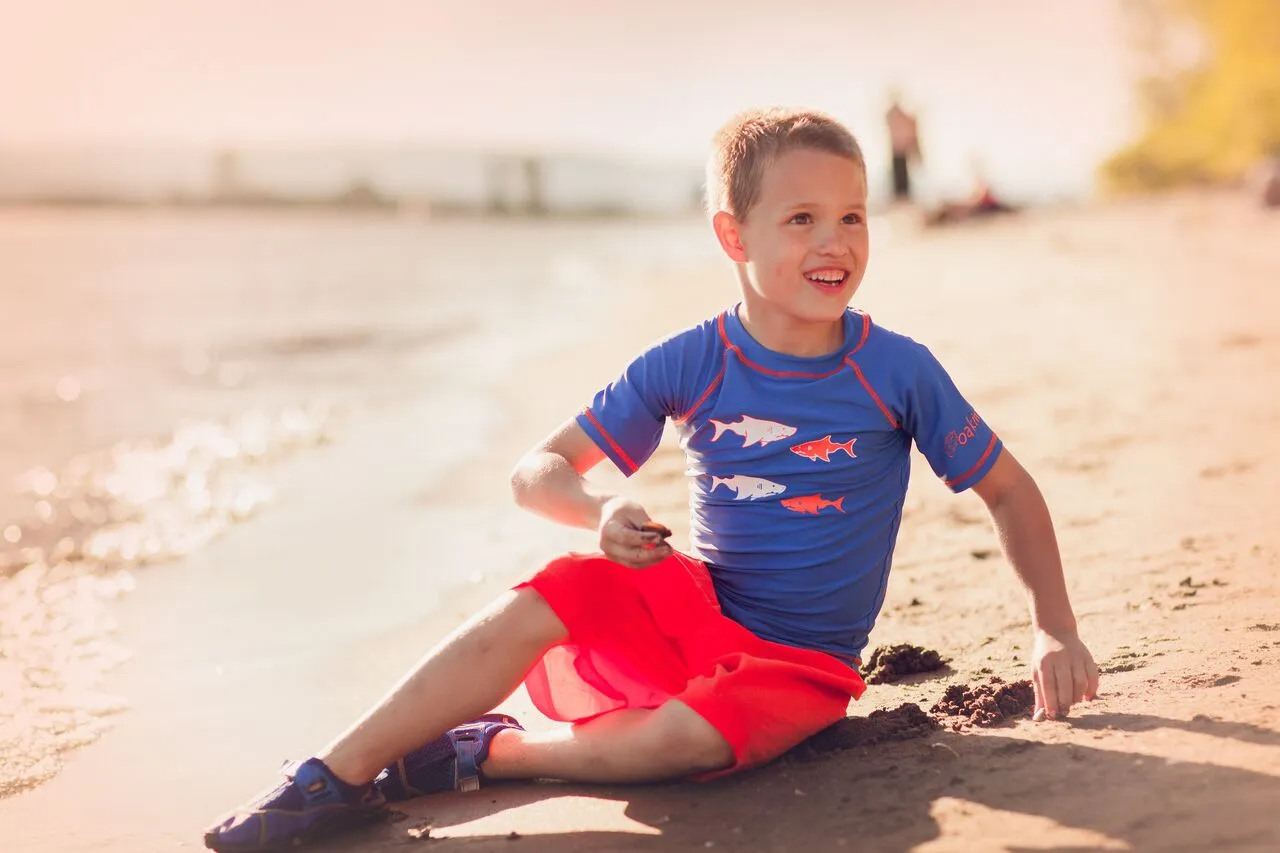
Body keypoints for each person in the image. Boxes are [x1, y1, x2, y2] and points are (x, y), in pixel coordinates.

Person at [203, 107, 1100, 851]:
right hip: (696, 612)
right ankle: (331, 774)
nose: (836, 242)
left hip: (802, 665)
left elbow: (1010, 491)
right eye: (802, 219)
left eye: (853, 216)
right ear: (731, 233)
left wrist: (1053, 630)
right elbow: (536, 472)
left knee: (690, 739)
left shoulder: (896, 371)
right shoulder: (690, 361)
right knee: (547, 592)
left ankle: (498, 754)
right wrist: (597, 515)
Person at [885, 95, 921, 202]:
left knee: (902, 175)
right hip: (897, 150)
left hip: (901, 150)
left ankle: (902, 197)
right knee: (898, 175)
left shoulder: (900, 116)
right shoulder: (894, 115)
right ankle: (900, 196)